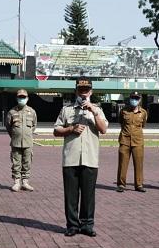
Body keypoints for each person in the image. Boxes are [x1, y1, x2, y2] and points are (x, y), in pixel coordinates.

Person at [54, 78, 108, 237]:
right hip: (70, 158)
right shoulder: (67, 110)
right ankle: (72, 225)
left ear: (91, 92)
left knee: (88, 195)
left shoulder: (97, 109)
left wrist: (93, 111)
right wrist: (71, 128)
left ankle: (87, 225)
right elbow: (56, 131)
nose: (84, 93)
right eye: (81, 90)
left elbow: (104, 129)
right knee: (71, 195)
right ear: (76, 91)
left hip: (90, 159)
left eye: (86, 90)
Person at [5, 89, 37, 192]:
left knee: (27, 162)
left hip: (28, 142)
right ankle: (17, 182)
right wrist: (15, 135)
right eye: (20, 97)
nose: (22, 99)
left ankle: (25, 182)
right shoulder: (12, 112)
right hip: (16, 142)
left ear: (27, 98)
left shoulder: (32, 112)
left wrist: (27, 134)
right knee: (16, 162)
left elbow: (34, 125)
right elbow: (8, 126)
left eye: (23, 97)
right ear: (16, 98)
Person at [116, 91, 148, 193]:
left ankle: (139, 185)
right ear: (129, 99)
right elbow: (121, 122)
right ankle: (121, 184)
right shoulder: (124, 111)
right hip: (125, 140)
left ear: (139, 100)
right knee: (122, 164)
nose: (134, 100)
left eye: (136, 98)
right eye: (133, 98)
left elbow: (143, 125)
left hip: (138, 141)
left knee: (138, 164)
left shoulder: (143, 112)